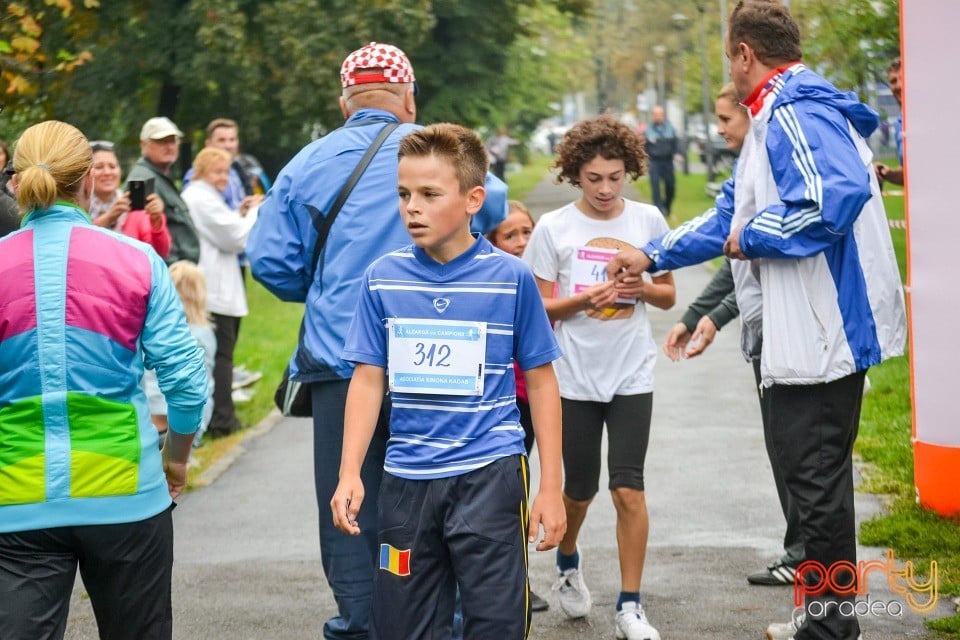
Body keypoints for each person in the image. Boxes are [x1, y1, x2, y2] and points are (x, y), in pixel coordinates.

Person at [607, 2, 907, 638]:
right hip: (807, 331)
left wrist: (754, 235)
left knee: (817, 488)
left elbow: (833, 199)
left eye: (729, 59)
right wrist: (653, 254)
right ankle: (821, 619)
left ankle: (829, 628)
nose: (731, 73)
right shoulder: (778, 111)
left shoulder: (795, 107)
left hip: (822, 330)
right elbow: (726, 216)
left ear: (745, 53)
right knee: (813, 484)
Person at [246, 41, 508, 640]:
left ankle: (363, 623)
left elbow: (268, 259)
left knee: (349, 501)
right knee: (446, 493)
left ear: (345, 103)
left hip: (342, 359)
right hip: (443, 354)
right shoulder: (437, 155)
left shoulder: (307, 163)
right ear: (408, 98)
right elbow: (488, 204)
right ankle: (450, 621)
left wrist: (322, 290)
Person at [330, 122, 565, 639]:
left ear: (472, 199)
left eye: (429, 194)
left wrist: (551, 484)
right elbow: (369, 380)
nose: (411, 207)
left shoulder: (510, 278)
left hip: (490, 473)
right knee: (402, 624)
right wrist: (350, 472)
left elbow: (543, 382)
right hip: (407, 480)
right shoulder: (382, 278)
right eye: (403, 194)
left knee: (495, 622)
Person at [0, 120, 208, 640]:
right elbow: (186, 382)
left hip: (16, 500)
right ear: (89, 180)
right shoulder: (136, 260)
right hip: (126, 493)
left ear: (15, 182)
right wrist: (176, 455)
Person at [523, 115, 675, 640]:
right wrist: (584, 299)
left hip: (632, 373)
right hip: (574, 379)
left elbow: (668, 292)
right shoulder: (554, 229)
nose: (606, 188)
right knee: (580, 491)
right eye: (594, 178)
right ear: (574, 174)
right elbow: (538, 308)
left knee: (628, 489)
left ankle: (630, 606)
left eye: (615, 176)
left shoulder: (649, 219)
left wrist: (640, 289)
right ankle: (568, 560)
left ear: (628, 170)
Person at [661, 82, 805, 587]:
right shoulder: (745, 171)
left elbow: (750, 251)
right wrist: (700, 314)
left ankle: (808, 560)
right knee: (784, 448)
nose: (718, 129)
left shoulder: (765, 171)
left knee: (797, 453)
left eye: (725, 119)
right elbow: (733, 260)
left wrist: (710, 312)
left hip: (789, 332)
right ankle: (803, 553)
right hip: (764, 331)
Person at [485, 199, 550, 613]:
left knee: (526, 493)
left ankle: (517, 580)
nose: (522, 242)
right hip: (510, 402)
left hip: (544, 397)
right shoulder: (496, 282)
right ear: (492, 241)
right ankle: (511, 583)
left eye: (528, 233)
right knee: (507, 496)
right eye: (511, 235)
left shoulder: (542, 278)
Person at [182, 147, 261, 438]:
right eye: (217, 171)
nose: (223, 178)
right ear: (201, 171)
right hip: (214, 290)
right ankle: (222, 420)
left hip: (215, 287)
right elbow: (238, 237)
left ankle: (220, 416)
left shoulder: (204, 197)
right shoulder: (200, 197)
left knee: (220, 356)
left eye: (226, 172)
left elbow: (225, 227)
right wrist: (254, 211)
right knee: (221, 358)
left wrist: (237, 213)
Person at [143, 260, 217, 445]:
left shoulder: (153, 329)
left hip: (148, 420)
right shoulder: (202, 335)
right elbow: (202, 386)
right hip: (180, 426)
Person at [127, 116, 200, 264]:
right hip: (169, 270)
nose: (169, 147)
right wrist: (171, 270)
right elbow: (139, 237)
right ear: (144, 145)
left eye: (173, 141)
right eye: (162, 142)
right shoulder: (141, 180)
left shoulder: (160, 174)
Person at [88, 140, 171, 257]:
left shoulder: (135, 208)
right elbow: (77, 244)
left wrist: (157, 222)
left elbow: (161, 252)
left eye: (112, 166)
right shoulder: (79, 206)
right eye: (99, 167)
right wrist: (106, 219)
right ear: (87, 173)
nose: (107, 172)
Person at [874, 57, 904, 187]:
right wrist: (889, 173)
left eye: (902, 78)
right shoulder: (899, 124)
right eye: (893, 81)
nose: (898, 85)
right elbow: (909, 174)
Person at [644, 106, 678, 216]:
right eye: (655, 114)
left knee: (670, 186)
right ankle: (658, 211)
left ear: (663, 115)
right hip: (654, 162)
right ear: (653, 116)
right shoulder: (648, 130)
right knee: (655, 187)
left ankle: (667, 206)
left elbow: (676, 143)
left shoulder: (670, 129)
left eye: (660, 114)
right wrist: (645, 162)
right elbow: (644, 147)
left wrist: (677, 154)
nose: (658, 116)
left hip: (668, 162)